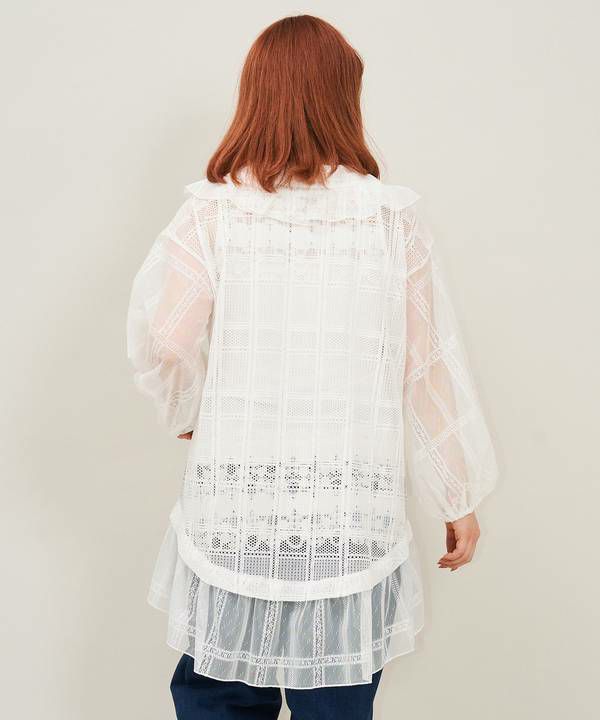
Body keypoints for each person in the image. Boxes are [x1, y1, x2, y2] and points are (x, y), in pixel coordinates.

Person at [126, 14, 497, 720]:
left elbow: (165, 338)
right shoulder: (390, 221)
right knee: (337, 700)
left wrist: (188, 407)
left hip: (235, 517)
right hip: (348, 520)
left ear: (256, 94)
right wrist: (457, 495)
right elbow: (428, 366)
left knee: (217, 696)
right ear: (342, 97)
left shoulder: (212, 214)